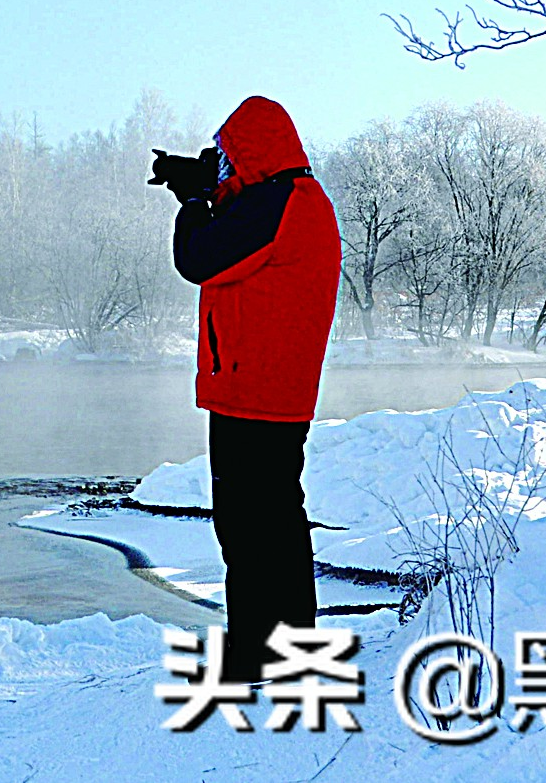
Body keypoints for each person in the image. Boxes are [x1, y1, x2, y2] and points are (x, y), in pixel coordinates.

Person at [150, 97, 340, 685]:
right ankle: (288, 647)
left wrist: (192, 200)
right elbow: (239, 217)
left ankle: (262, 654)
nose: (224, 165)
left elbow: (200, 256)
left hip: (254, 392)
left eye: (231, 155)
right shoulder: (293, 200)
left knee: (250, 525)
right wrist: (209, 182)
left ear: (254, 152)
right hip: (268, 388)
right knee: (275, 520)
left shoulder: (276, 205)